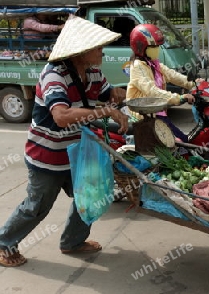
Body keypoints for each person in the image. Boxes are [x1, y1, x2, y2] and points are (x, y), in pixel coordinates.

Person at [0, 15, 129, 267]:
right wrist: (106, 111)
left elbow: (109, 94)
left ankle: (72, 241)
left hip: (76, 151)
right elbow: (61, 116)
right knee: (36, 207)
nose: (103, 51)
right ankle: (4, 243)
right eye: (98, 47)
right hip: (47, 156)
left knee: (89, 196)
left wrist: (122, 95)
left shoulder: (92, 72)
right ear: (80, 51)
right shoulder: (54, 75)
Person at [126, 24, 197, 142]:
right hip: (146, 117)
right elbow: (152, 91)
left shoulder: (153, 63)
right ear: (141, 47)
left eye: (157, 46)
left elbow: (172, 75)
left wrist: (193, 83)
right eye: (153, 47)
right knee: (182, 142)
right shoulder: (137, 66)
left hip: (158, 113)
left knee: (183, 140)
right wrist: (179, 98)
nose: (157, 49)